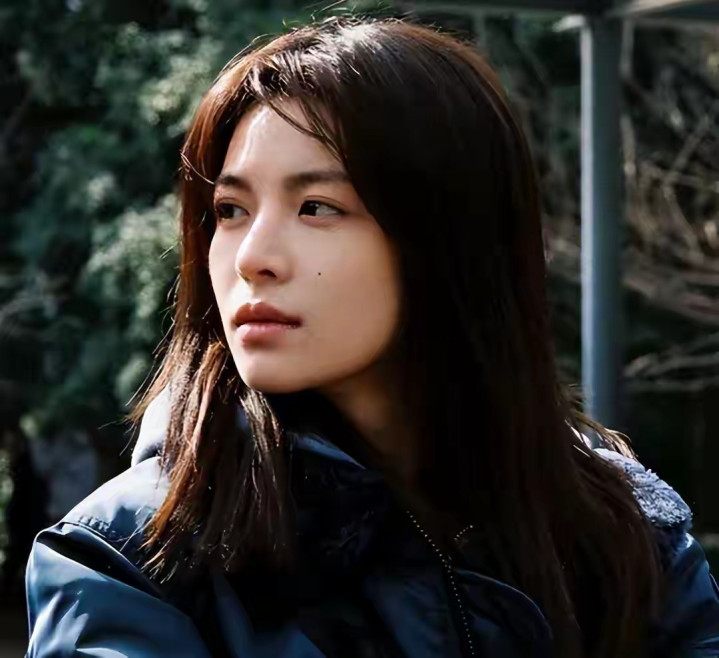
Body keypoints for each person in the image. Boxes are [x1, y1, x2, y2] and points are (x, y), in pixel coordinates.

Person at [24, 15, 719, 658]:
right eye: (229, 210)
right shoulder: (127, 560)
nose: (251, 257)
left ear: (449, 238)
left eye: (316, 206)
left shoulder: (626, 537)